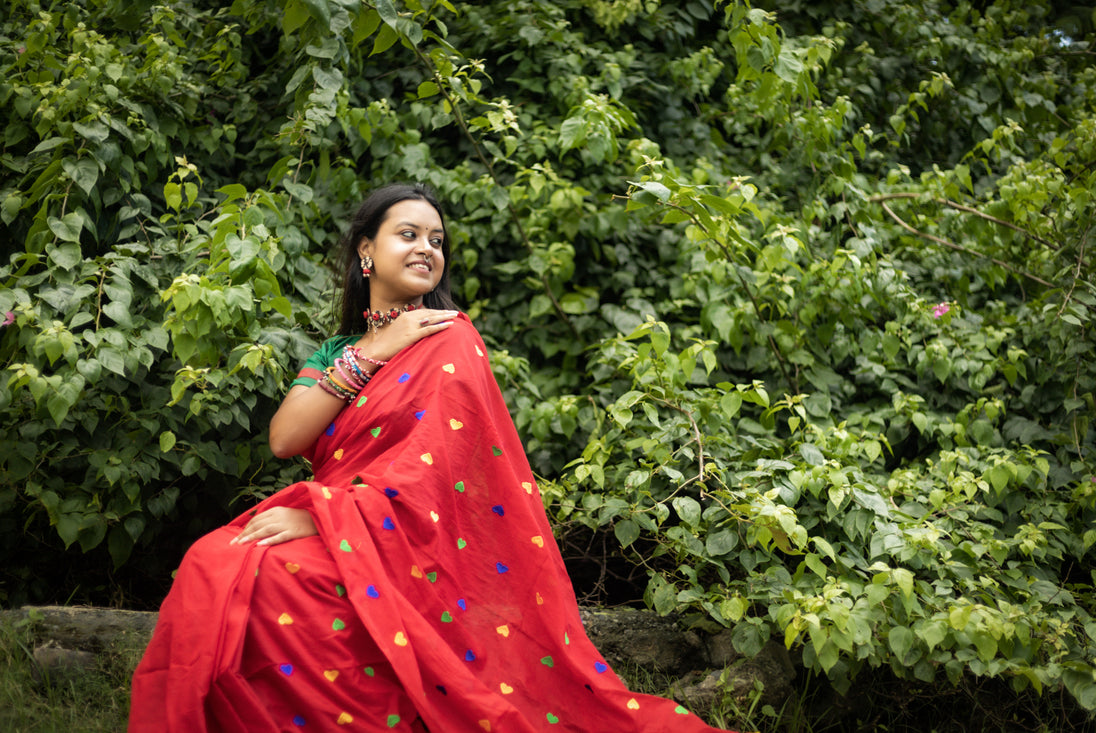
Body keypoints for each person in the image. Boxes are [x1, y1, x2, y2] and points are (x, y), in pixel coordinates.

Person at [129, 183, 730, 732]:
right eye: (409, 234)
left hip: (409, 541)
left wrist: (322, 519)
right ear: (367, 252)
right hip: (352, 521)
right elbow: (286, 439)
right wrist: (375, 349)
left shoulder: (450, 335)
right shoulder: (338, 350)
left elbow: (435, 472)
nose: (426, 249)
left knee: (284, 580)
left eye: (436, 241)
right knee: (214, 560)